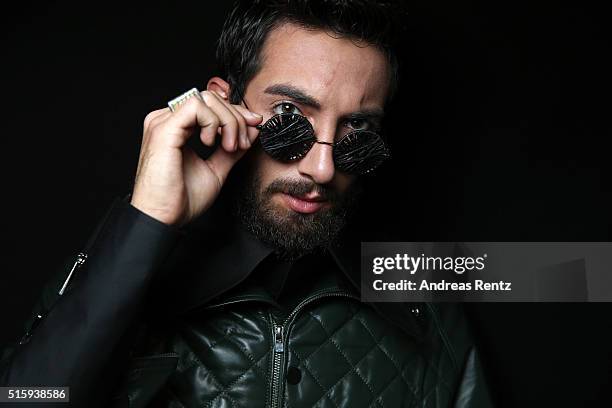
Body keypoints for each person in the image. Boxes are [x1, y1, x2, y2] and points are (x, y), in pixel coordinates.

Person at [1, 1, 493, 407]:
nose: (322, 170)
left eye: (356, 133)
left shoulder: (425, 295)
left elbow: (562, 272)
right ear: (224, 103)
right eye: (288, 120)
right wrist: (146, 221)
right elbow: (26, 398)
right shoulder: (119, 271)